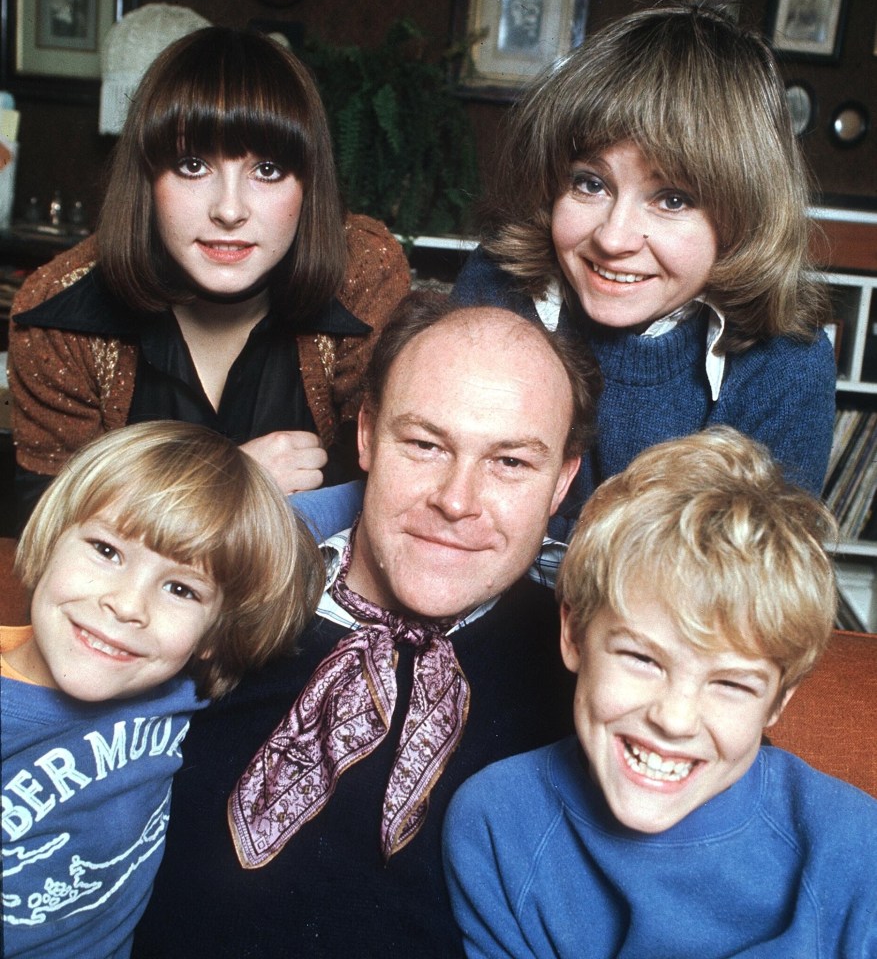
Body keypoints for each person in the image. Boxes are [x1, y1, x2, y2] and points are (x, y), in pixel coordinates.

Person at [131, 293, 603, 958]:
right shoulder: (212, 601)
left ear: (560, 481)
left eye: (510, 462)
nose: (456, 500)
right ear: (366, 435)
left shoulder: (595, 677)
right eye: (423, 443)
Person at [443, 426, 877, 958]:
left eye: (732, 684)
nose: (674, 718)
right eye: (642, 659)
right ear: (574, 636)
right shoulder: (498, 822)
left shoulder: (856, 848)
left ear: (780, 700)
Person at [451, 3, 836, 537]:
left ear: (744, 215)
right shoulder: (497, 282)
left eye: (673, 199)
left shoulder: (788, 362)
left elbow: (750, 589)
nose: (612, 238)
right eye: (590, 183)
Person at [8, 26, 410, 527]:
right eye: (192, 165)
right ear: (148, 178)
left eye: (267, 170)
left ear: (309, 183)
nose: (229, 210)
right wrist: (225, 480)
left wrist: (144, 503)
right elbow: (49, 527)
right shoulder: (58, 313)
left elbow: (395, 491)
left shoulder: (361, 275)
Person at [1, 420, 322, 959]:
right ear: (51, 536)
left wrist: (227, 491)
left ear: (213, 636)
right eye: (105, 551)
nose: (127, 606)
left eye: (180, 589)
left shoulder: (174, 681)